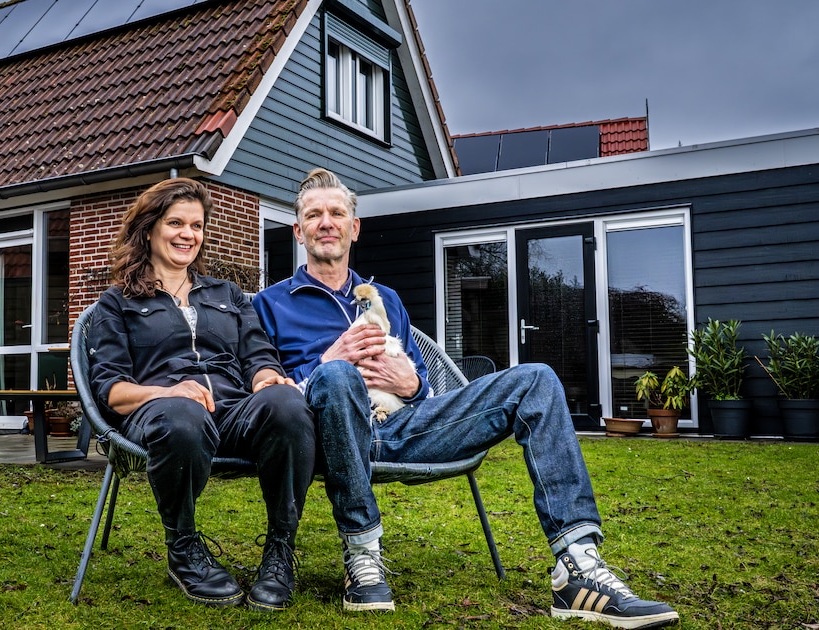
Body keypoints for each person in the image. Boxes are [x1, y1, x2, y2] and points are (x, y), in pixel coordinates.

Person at [252, 168, 679, 628]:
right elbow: (268, 401)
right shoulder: (270, 304)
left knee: (535, 378)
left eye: (337, 213)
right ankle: (362, 555)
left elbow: (427, 389)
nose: (326, 223)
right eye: (314, 215)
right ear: (298, 231)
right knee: (336, 375)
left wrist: (411, 384)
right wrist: (329, 361)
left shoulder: (388, 299)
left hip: (401, 429)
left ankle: (578, 568)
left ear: (355, 227)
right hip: (327, 438)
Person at [85, 178, 315, 611]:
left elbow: (257, 352)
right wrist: (168, 391)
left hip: (231, 411)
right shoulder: (117, 303)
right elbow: (111, 392)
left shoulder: (225, 293)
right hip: (161, 416)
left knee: (287, 401)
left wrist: (266, 376)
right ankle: (184, 548)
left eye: (196, 225)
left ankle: (279, 553)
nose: (187, 234)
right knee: (181, 412)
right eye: (175, 222)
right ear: (149, 229)